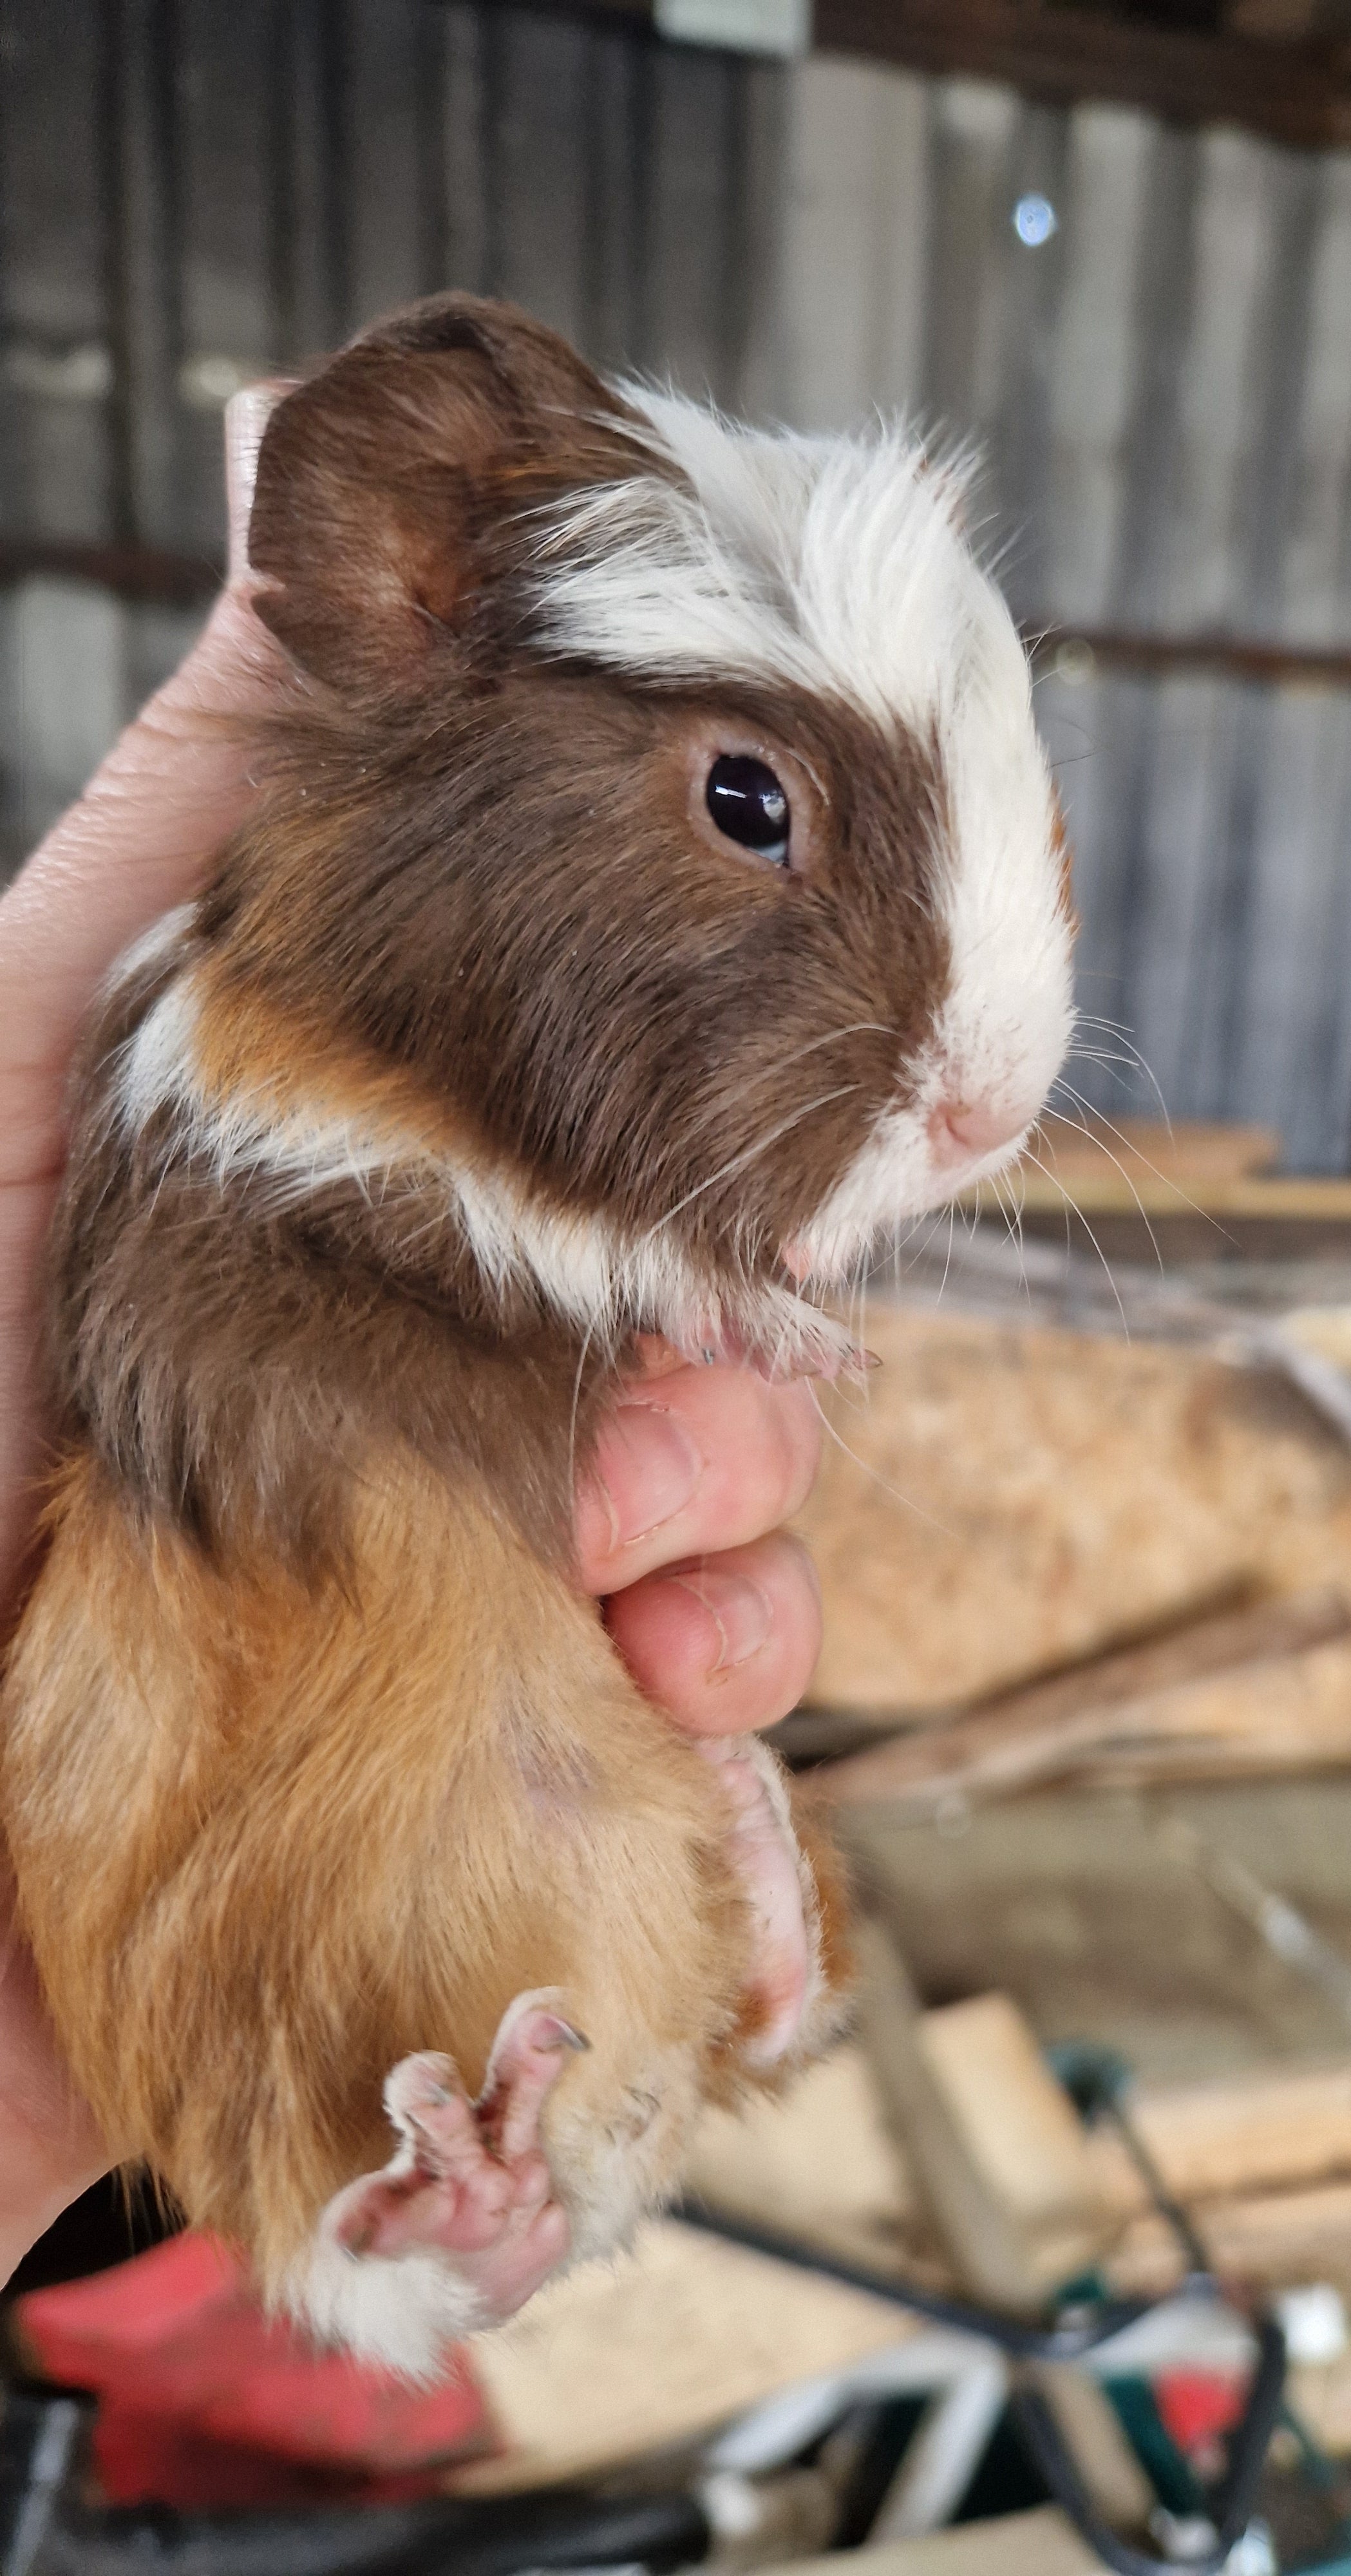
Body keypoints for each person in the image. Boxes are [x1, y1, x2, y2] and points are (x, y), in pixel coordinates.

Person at [0, 392, 826, 2301]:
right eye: (756, 809)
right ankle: (440, 2186)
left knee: (629, 1716)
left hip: (292, 1837)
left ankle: (545, 2128)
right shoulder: (278, 983)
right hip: (188, 1777)